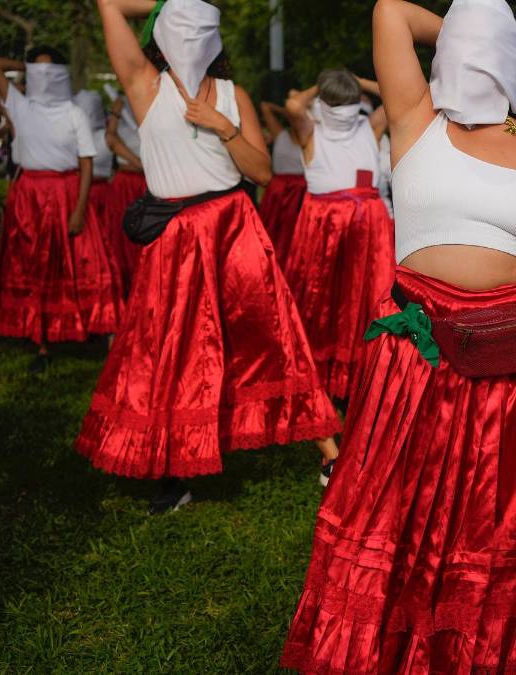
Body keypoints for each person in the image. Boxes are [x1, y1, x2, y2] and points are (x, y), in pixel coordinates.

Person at [280, 1, 516, 672]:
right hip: (419, 366)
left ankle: (511, 638)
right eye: (464, 45)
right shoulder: (416, 120)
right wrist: (470, 26)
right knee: (407, 519)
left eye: (486, 46)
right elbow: (389, 12)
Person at [77, 0, 341, 514]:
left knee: (269, 331)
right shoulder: (144, 86)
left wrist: (223, 125)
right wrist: (164, 3)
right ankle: (174, 471)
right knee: (172, 349)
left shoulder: (232, 94)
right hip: (176, 235)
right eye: (184, 22)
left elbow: (261, 173)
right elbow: (109, 4)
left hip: (233, 224)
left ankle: (329, 452)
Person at [0, 46, 123, 368]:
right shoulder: (21, 107)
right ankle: (42, 344)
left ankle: (102, 334)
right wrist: (30, 69)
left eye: (52, 72)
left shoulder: (74, 112)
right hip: (29, 196)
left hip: (67, 193)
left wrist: (79, 209)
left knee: (86, 262)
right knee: (34, 265)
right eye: (39, 73)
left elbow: (87, 165)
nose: (45, 79)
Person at [279, 70, 394, 401]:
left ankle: (346, 379)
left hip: (338, 222)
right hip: (357, 222)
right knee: (343, 302)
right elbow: (392, 91)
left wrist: (323, 83)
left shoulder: (311, 129)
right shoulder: (366, 127)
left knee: (338, 303)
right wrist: (354, 81)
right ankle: (334, 379)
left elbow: (293, 103)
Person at [73, 89, 129, 320]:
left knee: (97, 251)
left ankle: (97, 305)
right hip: (93, 195)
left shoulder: (103, 137)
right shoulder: (104, 137)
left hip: (94, 197)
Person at [103, 90, 146, 294]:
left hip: (148, 184)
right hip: (124, 184)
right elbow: (110, 139)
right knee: (119, 239)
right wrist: (116, 113)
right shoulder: (120, 105)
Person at [257, 100, 307, 259]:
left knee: (297, 237)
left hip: (301, 193)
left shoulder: (310, 138)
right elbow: (266, 106)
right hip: (278, 192)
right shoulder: (279, 133)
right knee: (274, 233)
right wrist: (288, 111)